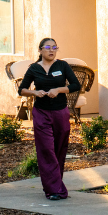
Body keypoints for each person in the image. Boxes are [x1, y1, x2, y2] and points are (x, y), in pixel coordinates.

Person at [18, 38, 82, 200]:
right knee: (46, 149)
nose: (51, 50)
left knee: (59, 149)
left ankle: (55, 184)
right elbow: (22, 89)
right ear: (40, 50)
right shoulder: (33, 68)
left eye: (54, 47)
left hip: (60, 112)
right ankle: (54, 190)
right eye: (48, 47)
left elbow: (76, 85)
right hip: (41, 113)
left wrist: (59, 90)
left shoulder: (62, 66)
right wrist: (34, 93)